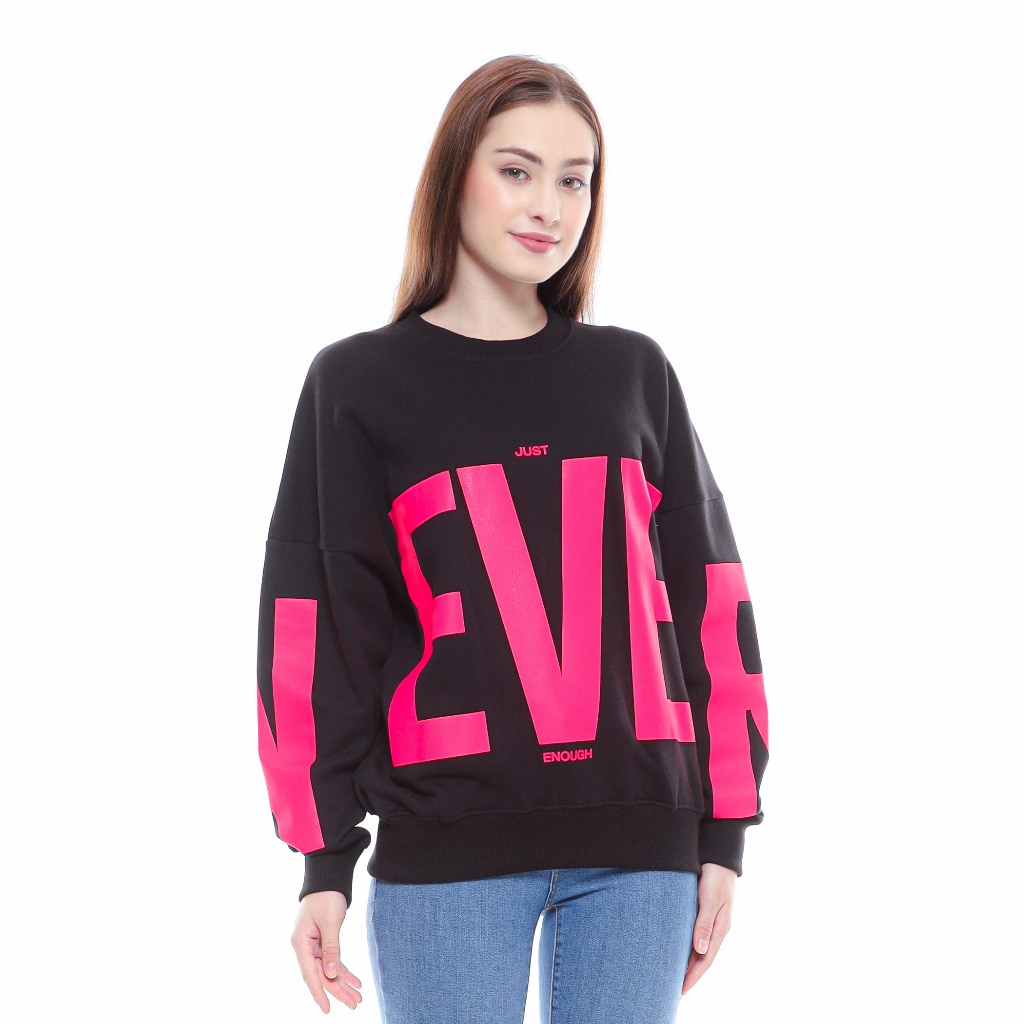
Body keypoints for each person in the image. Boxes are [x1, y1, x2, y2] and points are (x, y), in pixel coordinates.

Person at [256, 54, 769, 1023]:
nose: (549, 206)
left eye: (575, 179)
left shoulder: (632, 373)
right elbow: (318, 625)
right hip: (445, 845)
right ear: (455, 173)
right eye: (517, 170)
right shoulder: (356, 386)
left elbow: (712, 598)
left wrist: (724, 834)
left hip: (639, 855)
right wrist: (323, 861)